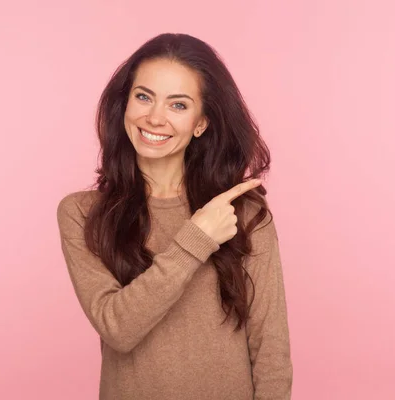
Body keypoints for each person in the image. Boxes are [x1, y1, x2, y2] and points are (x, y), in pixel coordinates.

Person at [56, 32, 292, 399]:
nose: (154, 117)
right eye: (144, 97)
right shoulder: (82, 214)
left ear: (201, 123)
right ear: (126, 104)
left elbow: (271, 350)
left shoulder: (241, 213)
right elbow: (117, 327)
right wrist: (196, 238)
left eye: (178, 105)